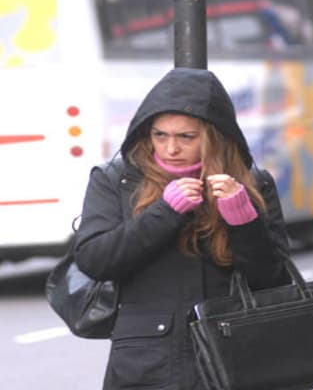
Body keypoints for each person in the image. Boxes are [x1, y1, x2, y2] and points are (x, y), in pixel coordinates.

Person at [73, 67, 291, 389]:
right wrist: (164, 212)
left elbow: (273, 280)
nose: (170, 148)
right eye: (160, 135)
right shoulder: (116, 180)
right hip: (146, 362)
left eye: (186, 137)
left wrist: (243, 219)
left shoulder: (251, 183)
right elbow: (95, 260)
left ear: (215, 136)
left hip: (233, 353)